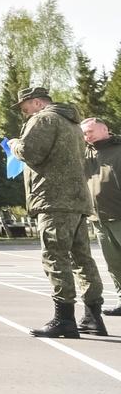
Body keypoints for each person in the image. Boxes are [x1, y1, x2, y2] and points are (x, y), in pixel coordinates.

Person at [9, 86, 105, 338]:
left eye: (25, 107)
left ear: (37, 103)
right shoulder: (72, 123)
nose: (24, 112)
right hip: (76, 200)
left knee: (55, 257)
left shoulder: (43, 120)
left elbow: (31, 153)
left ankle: (64, 319)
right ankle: (93, 317)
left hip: (53, 199)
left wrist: (14, 144)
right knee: (82, 259)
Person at [81, 117, 121, 317]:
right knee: (114, 263)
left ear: (105, 129)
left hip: (120, 215)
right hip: (99, 218)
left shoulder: (118, 148)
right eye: (85, 133)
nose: (87, 136)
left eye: (91, 131)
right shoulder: (85, 153)